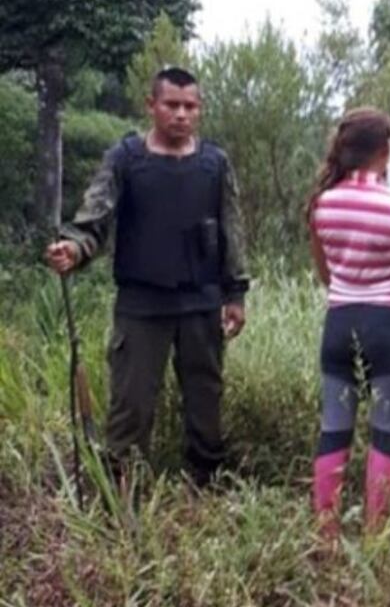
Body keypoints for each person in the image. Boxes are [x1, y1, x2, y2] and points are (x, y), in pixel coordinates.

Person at [45, 67, 250, 487]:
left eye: (190, 106)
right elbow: (95, 218)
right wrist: (75, 247)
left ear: (200, 109)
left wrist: (236, 294)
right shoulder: (126, 158)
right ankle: (120, 490)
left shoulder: (215, 163)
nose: (181, 114)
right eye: (171, 105)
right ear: (151, 105)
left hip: (201, 301)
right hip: (141, 305)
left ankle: (206, 486)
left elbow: (232, 228)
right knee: (130, 407)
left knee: (205, 402)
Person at [307, 107, 390, 537]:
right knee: (386, 432)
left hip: (339, 324)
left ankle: (326, 531)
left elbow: (327, 274)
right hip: (389, 326)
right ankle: (376, 532)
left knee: (334, 429)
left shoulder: (321, 204)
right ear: (384, 150)